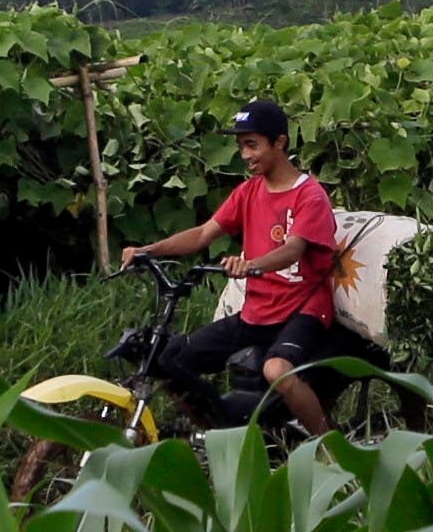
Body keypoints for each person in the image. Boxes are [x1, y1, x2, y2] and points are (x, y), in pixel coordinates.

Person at [131, 97, 346, 436]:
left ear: (279, 143)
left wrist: (251, 264)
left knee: (278, 371)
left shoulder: (310, 196)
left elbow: (293, 250)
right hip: (257, 312)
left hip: (302, 310)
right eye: (241, 146)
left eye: (252, 145)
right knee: (171, 358)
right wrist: (147, 251)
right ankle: (217, 429)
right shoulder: (248, 192)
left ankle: (331, 447)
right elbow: (203, 233)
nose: (245, 155)